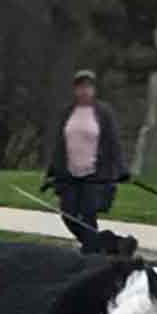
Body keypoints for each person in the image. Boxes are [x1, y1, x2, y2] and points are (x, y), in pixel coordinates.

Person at [51, 66, 125, 246]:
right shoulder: (67, 113)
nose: (84, 91)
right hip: (70, 174)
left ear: (94, 90)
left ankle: (93, 250)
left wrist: (120, 169)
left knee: (87, 214)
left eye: (88, 87)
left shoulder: (103, 113)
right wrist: (53, 170)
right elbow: (59, 143)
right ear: (75, 90)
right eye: (80, 87)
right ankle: (100, 245)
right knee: (68, 214)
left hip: (94, 174)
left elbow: (113, 142)